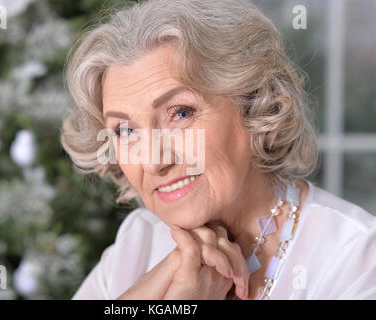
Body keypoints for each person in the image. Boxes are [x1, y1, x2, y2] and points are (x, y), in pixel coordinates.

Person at [61, 0, 376, 299]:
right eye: (126, 131)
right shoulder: (137, 244)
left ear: (253, 104)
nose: (153, 161)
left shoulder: (356, 257)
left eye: (180, 113)